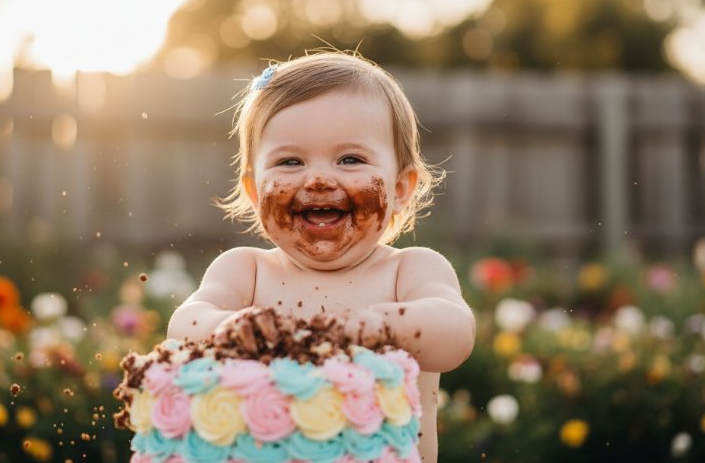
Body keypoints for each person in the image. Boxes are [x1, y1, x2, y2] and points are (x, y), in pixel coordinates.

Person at [167, 52, 476, 463]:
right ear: (255, 192)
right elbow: (182, 327)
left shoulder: (410, 271)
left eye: (350, 159)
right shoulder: (247, 272)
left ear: (401, 188)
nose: (318, 179)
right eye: (289, 161)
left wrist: (381, 325)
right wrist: (230, 326)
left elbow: (456, 335)